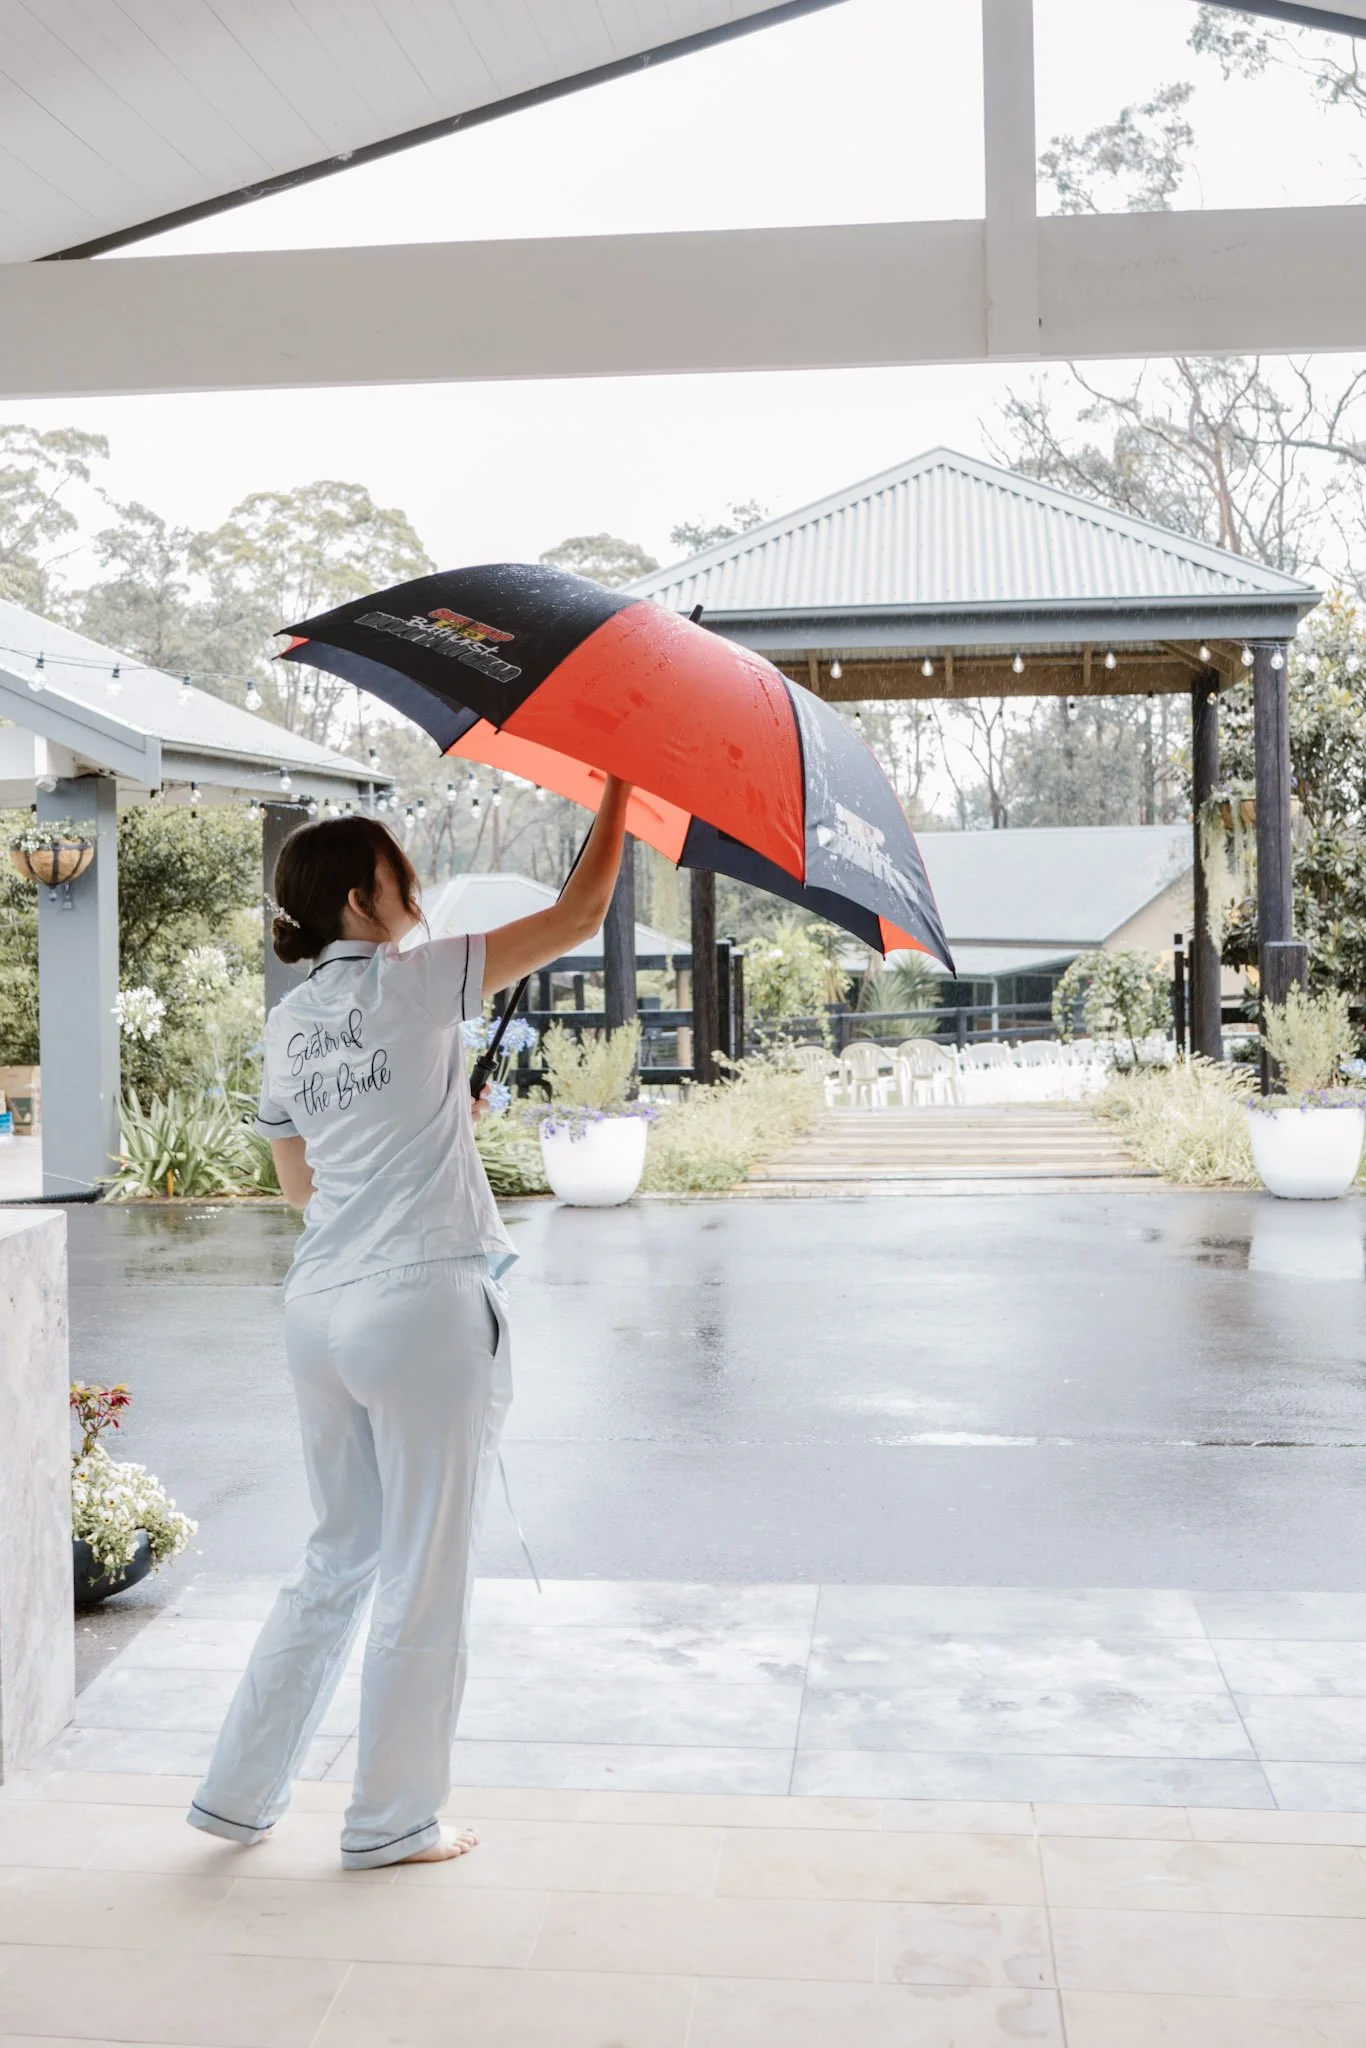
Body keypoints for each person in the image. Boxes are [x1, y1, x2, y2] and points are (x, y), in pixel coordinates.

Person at [187, 776, 632, 1870]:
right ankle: (391, 1819)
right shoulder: (422, 977)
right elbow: (579, 916)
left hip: (320, 1313)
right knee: (422, 1568)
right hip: (420, 1304)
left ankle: (238, 1794)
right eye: (403, 881)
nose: (420, 900)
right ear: (356, 897)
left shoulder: (289, 1025)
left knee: (337, 1555)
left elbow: (303, 1187)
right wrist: (621, 789)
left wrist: (439, 1112)